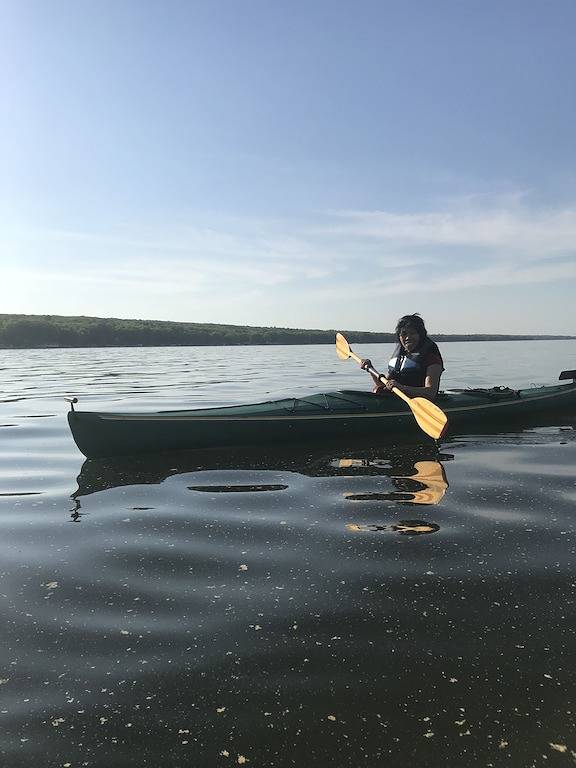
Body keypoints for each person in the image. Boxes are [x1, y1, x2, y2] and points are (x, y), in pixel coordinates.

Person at [361, 313, 443, 400]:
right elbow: (384, 385)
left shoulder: (431, 358)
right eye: (404, 334)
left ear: (421, 335)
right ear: (399, 337)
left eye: (412, 333)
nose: (408, 337)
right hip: (396, 399)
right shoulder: (400, 357)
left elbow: (430, 392)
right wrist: (370, 369)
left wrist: (402, 388)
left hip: (420, 401)